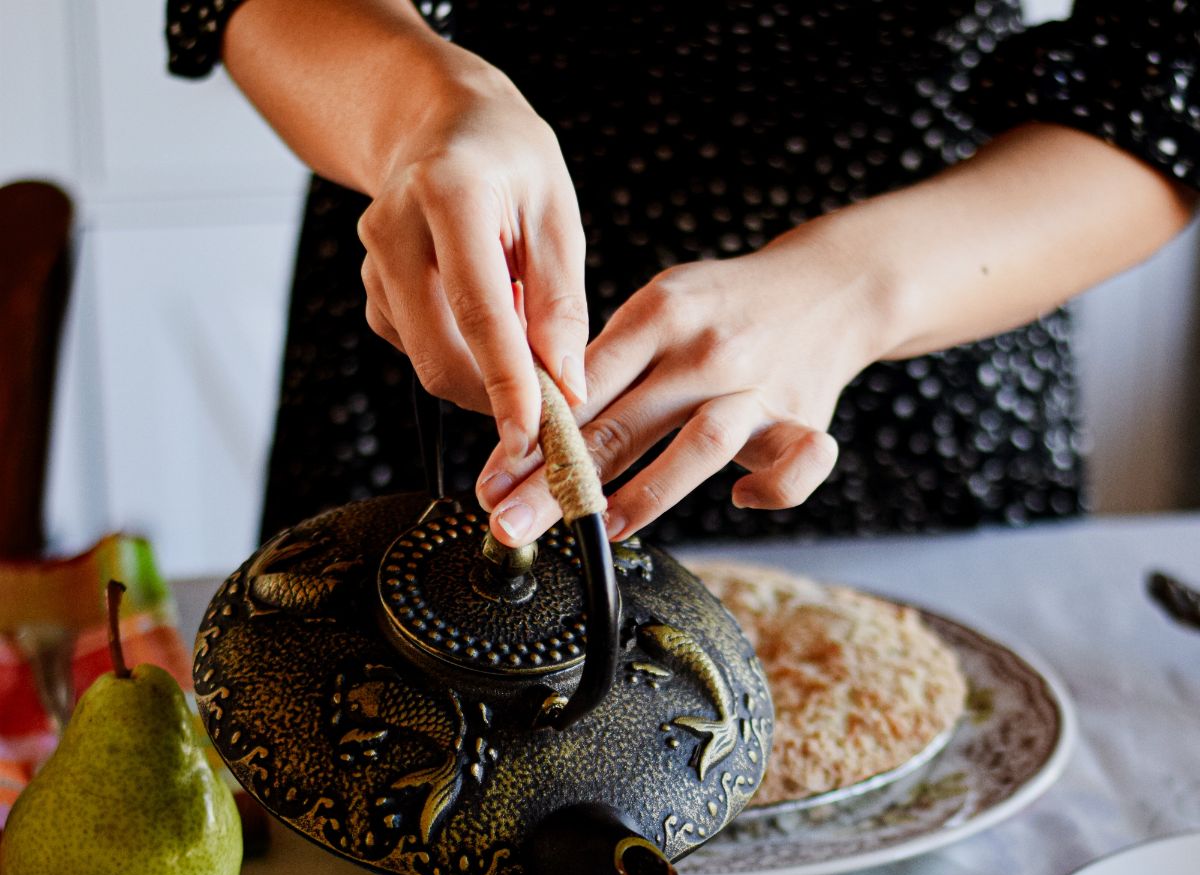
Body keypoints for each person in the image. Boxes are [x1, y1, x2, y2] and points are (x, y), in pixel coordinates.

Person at [167, 1, 1197, 549]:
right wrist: (415, 111)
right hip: (462, 261)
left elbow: (1175, 79)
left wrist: (851, 292)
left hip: (941, 280)